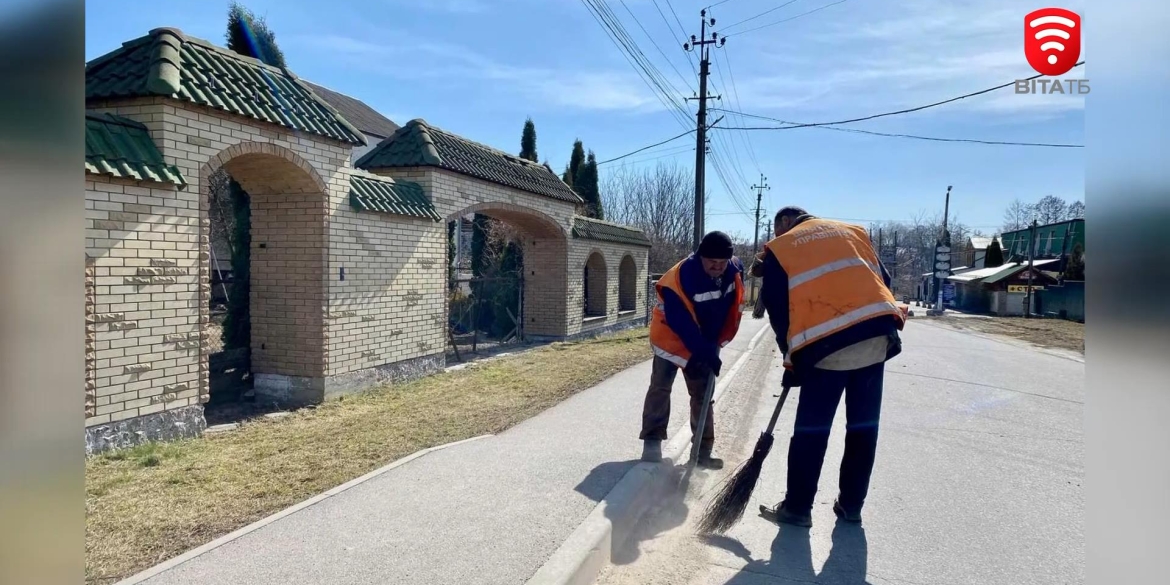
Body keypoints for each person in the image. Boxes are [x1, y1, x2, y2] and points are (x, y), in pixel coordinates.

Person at [758, 207, 905, 527]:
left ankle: (797, 508)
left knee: (812, 431)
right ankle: (851, 506)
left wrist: (791, 356)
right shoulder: (854, 232)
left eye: (776, 228)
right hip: (874, 338)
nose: (776, 235)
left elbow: (777, 306)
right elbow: (885, 280)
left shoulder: (782, 246)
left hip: (826, 349)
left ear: (784, 223)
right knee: (863, 429)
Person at [640, 231, 745, 469]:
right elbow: (681, 323)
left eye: (722, 263)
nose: (717, 267)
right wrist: (703, 352)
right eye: (712, 262)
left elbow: (720, 310)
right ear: (700, 257)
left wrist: (710, 347)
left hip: (703, 337)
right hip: (670, 335)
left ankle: (702, 451)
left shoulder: (732, 270)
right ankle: (652, 440)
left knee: (703, 394)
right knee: (660, 387)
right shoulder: (683, 276)